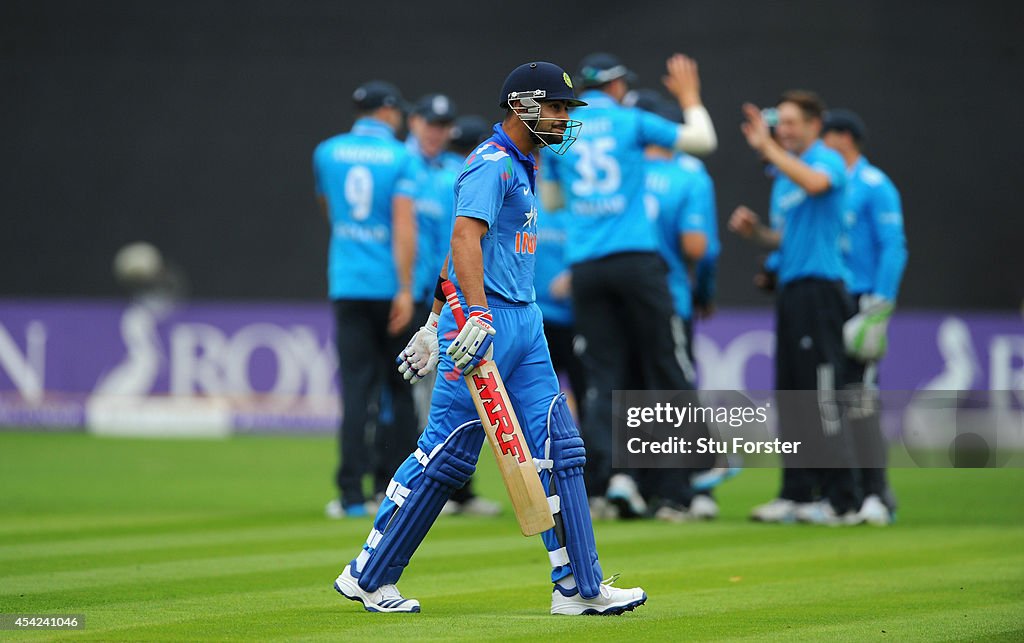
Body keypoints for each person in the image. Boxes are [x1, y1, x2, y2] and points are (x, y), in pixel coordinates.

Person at [335, 61, 647, 615]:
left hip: (524, 324)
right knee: (448, 455)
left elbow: (462, 252)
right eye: (555, 107)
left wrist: (435, 319)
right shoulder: (491, 163)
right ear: (523, 105)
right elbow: (462, 239)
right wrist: (459, 319)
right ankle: (369, 574)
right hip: (485, 328)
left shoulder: (523, 166)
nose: (563, 119)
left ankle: (579, 586)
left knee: (561, 447)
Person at [542, 52, 717, 519]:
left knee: (602, 380)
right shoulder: (631, 120)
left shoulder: (563, 133)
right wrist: (690, 98)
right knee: (666, 367)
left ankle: (613, 478)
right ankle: (690, 480)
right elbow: (701, 140)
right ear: (618, 87)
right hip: (636, 260)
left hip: (587, 267)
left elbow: (554, 201)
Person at [728, 90, 863, 525]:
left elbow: (818, 185)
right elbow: (786, 237)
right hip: (792, 289)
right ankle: (799, 494)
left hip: (822, 291)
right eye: (778, 123)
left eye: (789, 123)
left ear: (814, 125)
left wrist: (767, 147)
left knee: (821, 395)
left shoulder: (825, 161)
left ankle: (844, 501)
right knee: (792, 395)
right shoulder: (784, 174)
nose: (782, 130)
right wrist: (758, 235)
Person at [314, 80, 420, 519]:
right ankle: (391, 487)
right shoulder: (401, 156)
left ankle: (350, 495)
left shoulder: (326, 152)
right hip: (388, 285)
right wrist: (404, 286)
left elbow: (330, 211)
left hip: (348, 281)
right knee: (398, 388)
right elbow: (403, 226)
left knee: (357, 390)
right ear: (389, 112)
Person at [403, 99, 503, 518]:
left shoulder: (461, 175)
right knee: (433, 396)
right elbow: (457, 243)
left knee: (461, 397)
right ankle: (432, 488)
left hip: (457, 294)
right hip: (439, 292)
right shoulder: (440, 176)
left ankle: (459, 490)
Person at [822, 108, 908, 525]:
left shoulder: (874, 184)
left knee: (860, 398)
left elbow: (894, 245)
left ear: (844, 138)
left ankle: (877, 495)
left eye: (827, 135)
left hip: (863, 299)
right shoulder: (835, 183)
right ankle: (852, 494)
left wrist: (880, 304)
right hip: (834, 295)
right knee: (835, 399)